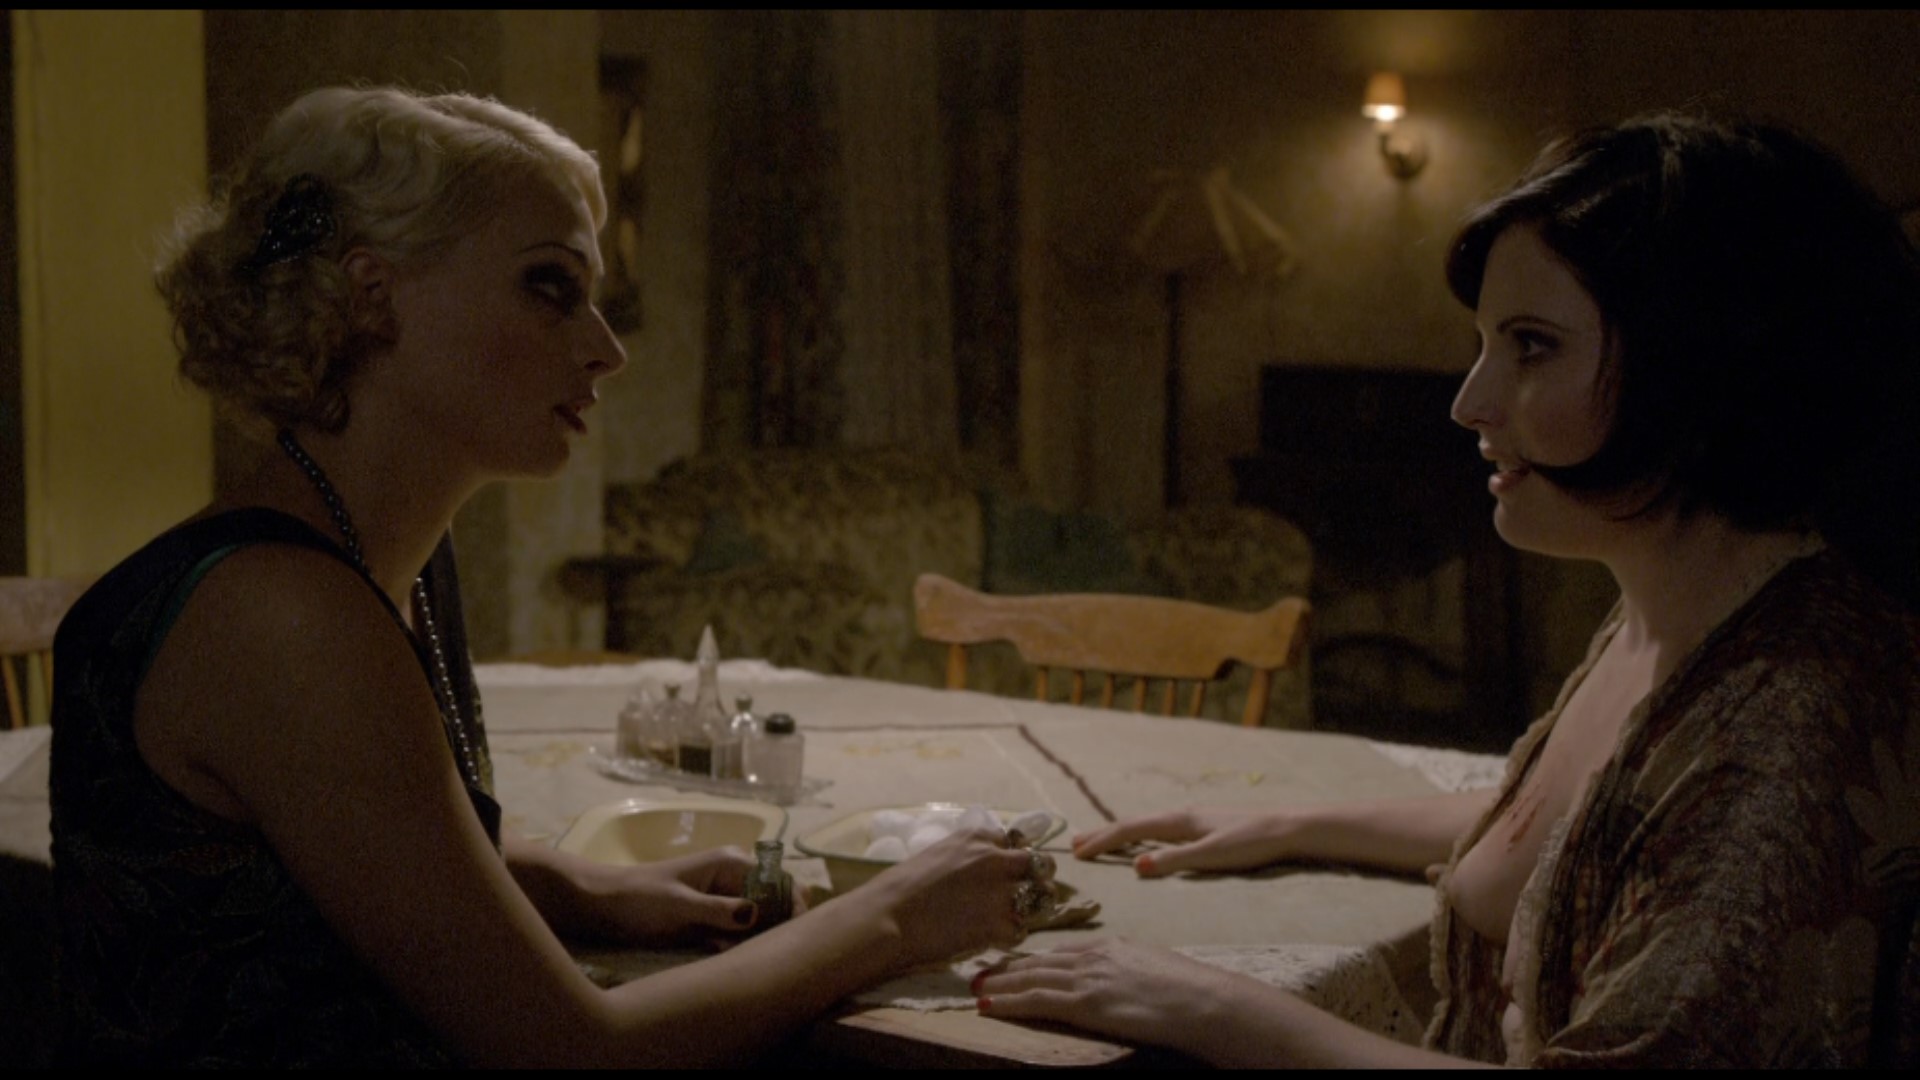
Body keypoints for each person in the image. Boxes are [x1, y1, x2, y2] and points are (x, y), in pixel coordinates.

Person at [47, 85, 1042, 1068]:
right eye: (549, 287)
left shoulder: (388, 564)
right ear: (369, 297)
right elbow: (575, 1052)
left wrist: (584, 886)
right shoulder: (281, 613)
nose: (605, 351)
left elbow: (344, 855)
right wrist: (893, 914)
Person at [974, 112, 1920, 1068]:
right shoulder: (1686, 608)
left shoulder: (1783, 725)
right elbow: (1593, 830)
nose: (1469, 402)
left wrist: (1211, 1006)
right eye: (1484, 344)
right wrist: (1294, 825)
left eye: (1532, 346)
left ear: (1701, 369)